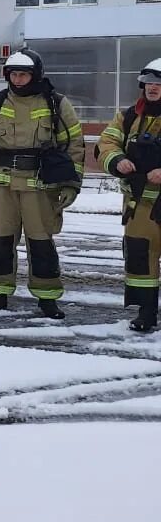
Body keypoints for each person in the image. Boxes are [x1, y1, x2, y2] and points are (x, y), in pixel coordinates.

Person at [0, 47, 84, 319]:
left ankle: (47, 298)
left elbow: (74, 147)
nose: (18, 80)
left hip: (40, 187)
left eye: (24, 75)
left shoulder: (56, 103)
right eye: (14, 74)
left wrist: (71, 184)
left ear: (36, 75)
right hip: (1, 186)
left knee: (41, 244)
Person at [101, 59, 161, 332]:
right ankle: (145, 313)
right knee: (140, 255)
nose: (153, 88)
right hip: (139, 202)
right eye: (148, 83)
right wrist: (117, 161)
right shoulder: (128, 116)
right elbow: (106, 143)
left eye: (158, 84)